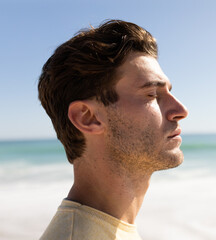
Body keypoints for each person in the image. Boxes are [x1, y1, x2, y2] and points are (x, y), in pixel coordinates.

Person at [38, 19, 188, 240]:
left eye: (168, 92)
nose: (180, 110)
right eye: (152, 95)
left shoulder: (109, 227)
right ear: (87, 117)